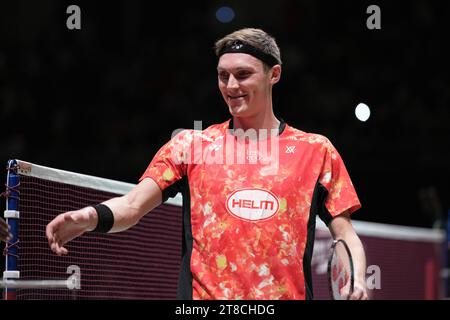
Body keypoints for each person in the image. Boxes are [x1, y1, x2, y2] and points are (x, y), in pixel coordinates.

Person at [44, 28, 369, 300]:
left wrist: (356, 280)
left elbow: (345, 235)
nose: (230, 86)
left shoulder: (315, 150)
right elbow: (132, 206)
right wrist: (88, 217)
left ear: (274, 75)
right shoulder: (191, 145)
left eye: (243, 75)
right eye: (222, 76)